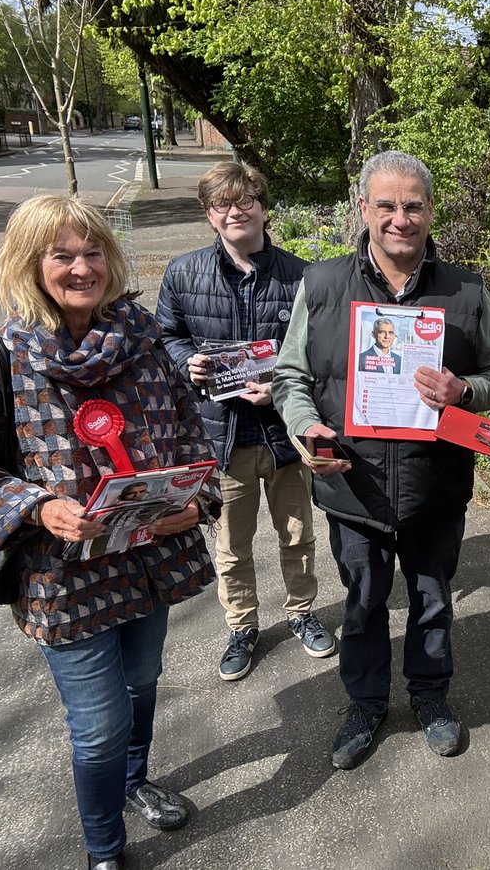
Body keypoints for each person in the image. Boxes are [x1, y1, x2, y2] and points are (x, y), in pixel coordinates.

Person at [0, 195, 220, 870]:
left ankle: (135, 784)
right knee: (98, 728)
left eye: (93, 250)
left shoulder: (146, 341)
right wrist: (36, 507)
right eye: (62, 254)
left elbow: (194, 436)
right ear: (28, 264)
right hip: (62, 580)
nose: (82, 266)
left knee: (144, 684)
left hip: (146, 560)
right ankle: (105, 849)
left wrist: (198, 499)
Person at [273, 149, 490, 770]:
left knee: (433, 600)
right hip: (353, 484)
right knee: (363, 604)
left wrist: (466, 392)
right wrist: (307, 431)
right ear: (364, 209)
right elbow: (291, 376)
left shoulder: (466, 289)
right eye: (387, 205)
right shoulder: (322, 284)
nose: (400, 218)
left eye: (413, 205)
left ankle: (431, 697)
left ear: (431, 212)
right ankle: (366, 703)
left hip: (436, 485)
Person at [156, 161, 332, 684]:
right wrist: (185, 361)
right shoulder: (184, 273)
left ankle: (300, 612)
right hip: (220, 433)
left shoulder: (302, 277)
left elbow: (323, 354)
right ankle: (242, 626)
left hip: (282, 432)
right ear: (210, 216)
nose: (235, 211)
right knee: (231, 544)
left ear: (263, 206)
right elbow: (166, 336)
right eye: (222, 205)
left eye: (245, 200)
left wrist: (281, 385)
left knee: (297, 533)